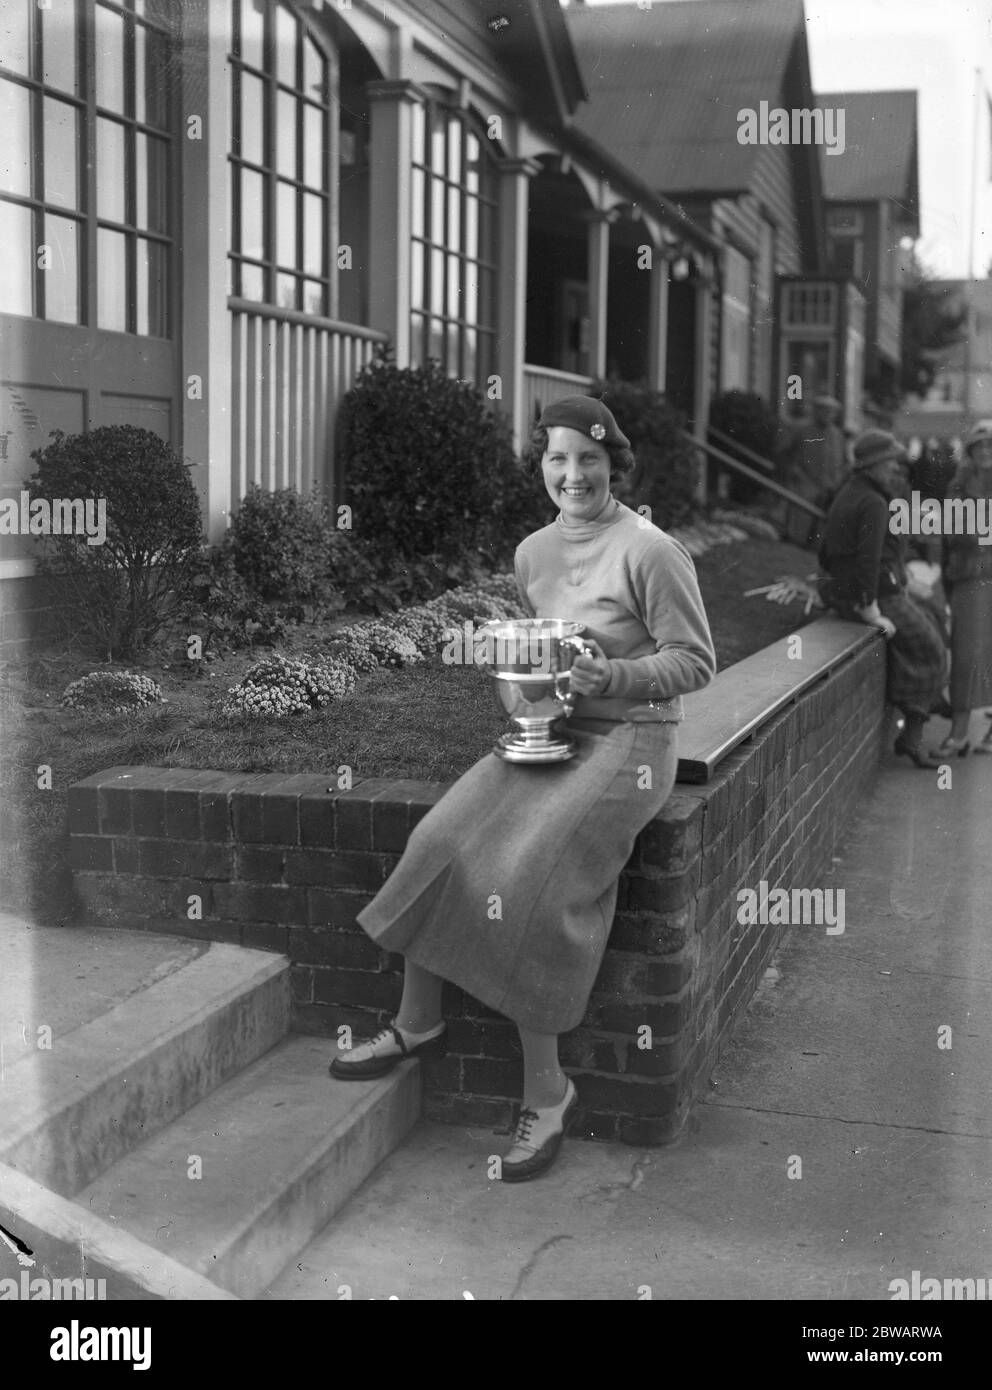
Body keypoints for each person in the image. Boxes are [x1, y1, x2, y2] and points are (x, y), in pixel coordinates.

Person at [328, 395, 716, 1181]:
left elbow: (696, 661)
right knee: (440, 839)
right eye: (556, 459)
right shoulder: (532, 553)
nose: (572, 474)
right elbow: (538, 648)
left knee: (527, 874)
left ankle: (549, 1091)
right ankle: (416, 1023)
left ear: (614, 465)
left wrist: (616, 673)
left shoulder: (652, 550)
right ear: (541, 465)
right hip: (552, 729)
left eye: (588, 459)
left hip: (635, 740)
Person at [817, 428, 947, 767]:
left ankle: (925, 707)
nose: (896, 470)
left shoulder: (852, 491)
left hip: (853, 589)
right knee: (930, 646)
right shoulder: (873, 501)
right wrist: (870, 609)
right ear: (873, 465)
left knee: (930, 620)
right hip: (871, 593)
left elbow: (825, 551)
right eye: (890, 463)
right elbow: (868, 559)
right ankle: (912, 736)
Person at [937, 419, 992, 756]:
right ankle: (959, 733)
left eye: (991, 446)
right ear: (970, 450)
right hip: (970, 577)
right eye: (979, 446)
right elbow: (952, 533)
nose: (986, 451)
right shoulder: (958, 486)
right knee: (966, 654)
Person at [779, 395, 848, 546]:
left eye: (832, 412)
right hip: (805, 481)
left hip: (830, 485)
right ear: (816, 411)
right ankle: (796, 542)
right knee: (801, 516)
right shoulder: (802, 429)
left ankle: (816, 545)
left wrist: (839, 480)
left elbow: (843, 460)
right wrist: (794, 470)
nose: (828, 415)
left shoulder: (837, 434)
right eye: (824, 410)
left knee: (824, 521)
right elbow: (786, 453)